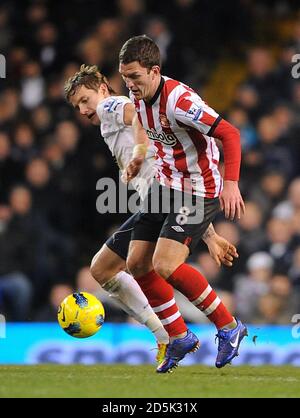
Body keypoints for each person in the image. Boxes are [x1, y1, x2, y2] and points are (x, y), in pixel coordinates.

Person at [64, 64, 239, 371]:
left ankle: (216, 327)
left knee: (159, 265)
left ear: (102, 89)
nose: (82, 109)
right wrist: (209, 235)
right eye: (77, 105)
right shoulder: (107, 119)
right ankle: (170, 335)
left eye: (85, 99)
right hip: (162, 198)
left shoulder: (111, 105)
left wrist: (139, 152)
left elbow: (136, 115)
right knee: (104, 268)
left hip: (170, 195)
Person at [119, 35, 247, 371]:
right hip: (165, 185)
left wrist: (230, 184)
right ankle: (179, 336)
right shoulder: (142, 99)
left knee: (165, 264)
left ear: (155, 71)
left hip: (197, 190)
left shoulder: (180, 101)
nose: (129, 84)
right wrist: (139, 154)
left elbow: (230, 133)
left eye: (134, 76)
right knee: (136, 264)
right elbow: (143, 126)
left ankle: (229, 327)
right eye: (124, 77)